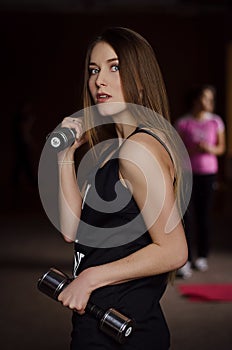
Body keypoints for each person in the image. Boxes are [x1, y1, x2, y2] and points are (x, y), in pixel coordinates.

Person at [56, 27, 188, 349]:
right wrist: (65, 155)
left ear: (141, 79)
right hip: (95, 323)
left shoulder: (137, 151)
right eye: (94, 70)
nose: (100, 80)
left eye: (114, 67)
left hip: (122, 332)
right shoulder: (112, 151)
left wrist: (90, 278)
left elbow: (174, 250)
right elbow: (71, 230)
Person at [175, 85, 226, 278]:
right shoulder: (183, 123)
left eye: (211, 98)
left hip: (208, 174)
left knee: (203, 216)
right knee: (186, 217)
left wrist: (209, 149)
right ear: (196, 99)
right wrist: (192, 150)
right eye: (206, 98)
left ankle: (202, 255)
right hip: (188, 174)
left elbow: (222, 148)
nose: (210, 102)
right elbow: (176, 150)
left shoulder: (216, 122)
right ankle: (184, 260)